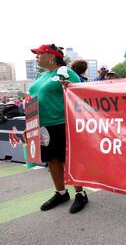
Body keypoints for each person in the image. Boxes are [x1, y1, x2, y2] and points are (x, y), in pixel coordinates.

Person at [29, 44, 89, 214]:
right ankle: (61, 193)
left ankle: (81, 194)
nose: (36, 57)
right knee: (52, 160)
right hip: (43, 126)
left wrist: (68, 85)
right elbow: (32, 99)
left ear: (51, 56)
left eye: (39, 54)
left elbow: (80, 95)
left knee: (68, 160)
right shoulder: (40, 77)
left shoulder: (65, 72)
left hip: (63, 124)